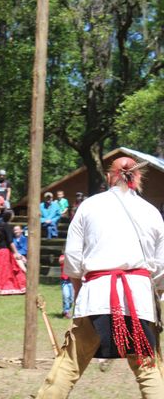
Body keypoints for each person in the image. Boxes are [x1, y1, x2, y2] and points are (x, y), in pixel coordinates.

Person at [36, 157, 164, 398]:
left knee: (70, 364)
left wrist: (79, 292)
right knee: (148, 370)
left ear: (108, 177)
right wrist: (153, 294)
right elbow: (161, 268)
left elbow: (72, 257)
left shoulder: (89, 207)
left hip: (96, 296)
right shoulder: (151, 212)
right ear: (138, 178)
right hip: (139, 300)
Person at [59, 250, 73, 319]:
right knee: (66, 296)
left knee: (71, 298)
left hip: (72, 281)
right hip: (65, 281)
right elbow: (60, 261)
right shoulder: (62, 257)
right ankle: (66, 311)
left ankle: (66, 310)